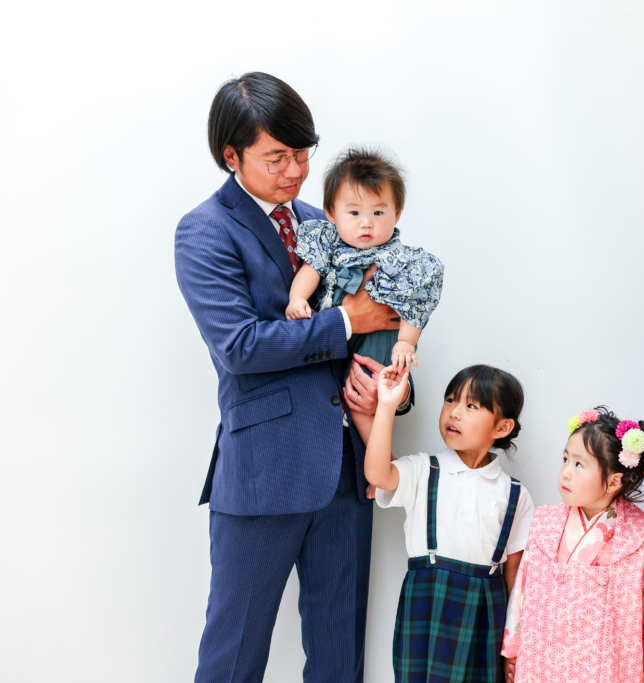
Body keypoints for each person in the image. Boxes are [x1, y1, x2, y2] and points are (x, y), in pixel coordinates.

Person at [174, 72, 412, 683]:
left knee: (339, 656)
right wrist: (345, 319)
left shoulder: (332, 219)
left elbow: (385, 320)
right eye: (276, 157)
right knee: (233, 658)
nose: (296, 171)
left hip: (347, 467)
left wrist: (390, 389)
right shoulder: (205, 230)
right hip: (263, 472)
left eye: (303, 154)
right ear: (231, 156)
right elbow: (239, 346)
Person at [502, 407, 644, 683]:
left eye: (579, 464)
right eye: (565, 459)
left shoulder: (641, 534)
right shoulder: (544, 524)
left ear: (614, 481)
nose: (565, 473)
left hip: (610, 662)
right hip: (544, 657)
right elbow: (522, 593)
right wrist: (513, 651)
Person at [365, 364, 536, 683]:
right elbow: (377, 474)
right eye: (450, 400)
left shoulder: (514, 493)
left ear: (502, 427)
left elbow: (516, 575)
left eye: (471, 405)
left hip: (485, 611)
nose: (454, 412)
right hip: (426, 602)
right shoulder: (423, 469)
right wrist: (386, 406)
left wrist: (514, 646)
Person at [288, 147, 443, 445]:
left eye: (378, 213)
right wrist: (298, 299)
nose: (367, 223)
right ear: (331, 213)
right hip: (332, 332)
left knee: (363, 390)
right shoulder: (325, 240)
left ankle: (379, 460)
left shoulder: (404, 260)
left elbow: (414, 304)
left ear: (397, 214)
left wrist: (406, 342)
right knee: (346, 385)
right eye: (354, 213)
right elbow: (310, 271)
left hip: (379, 337)